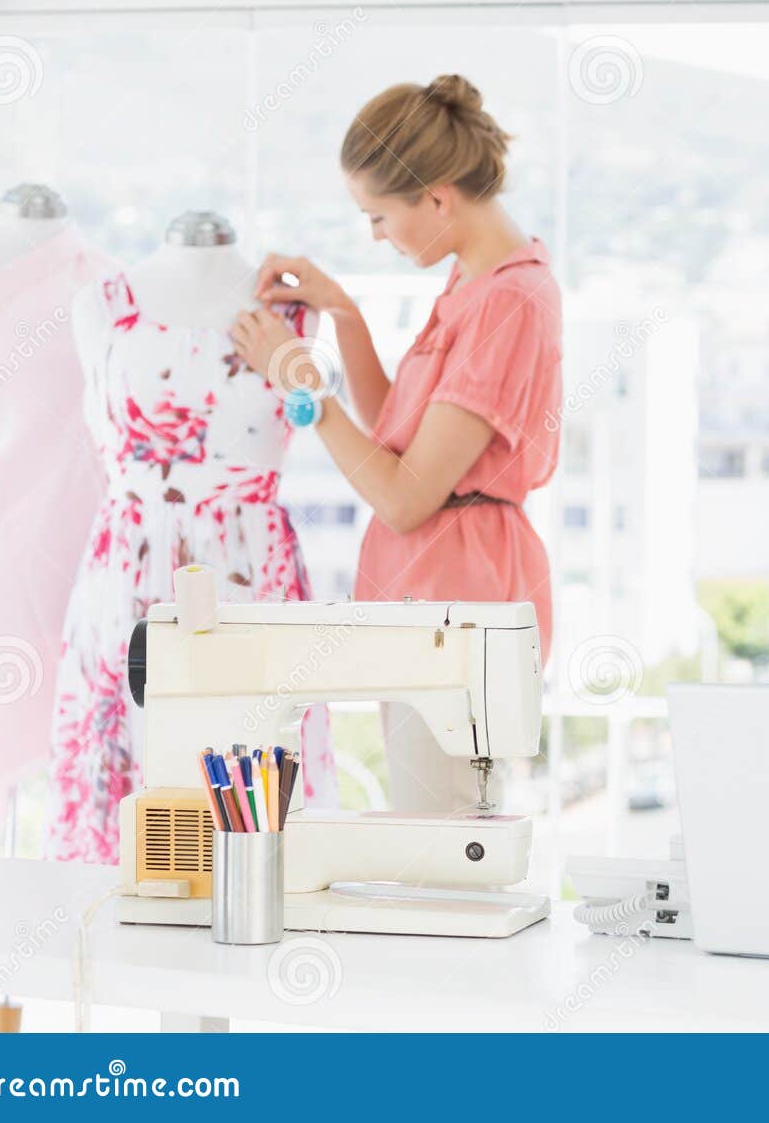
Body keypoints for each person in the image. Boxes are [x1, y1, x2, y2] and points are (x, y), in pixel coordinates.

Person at [229, 74, 560, 811]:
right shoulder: (472, 281)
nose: (376, 235)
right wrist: (343, 312)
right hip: (430, 591)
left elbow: (405, 496)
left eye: (378, 217)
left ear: (438, 198)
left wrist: (298, 384)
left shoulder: (507, 301)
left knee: (440, 837)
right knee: (429, 826)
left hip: (460, 597)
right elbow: (398, 436)